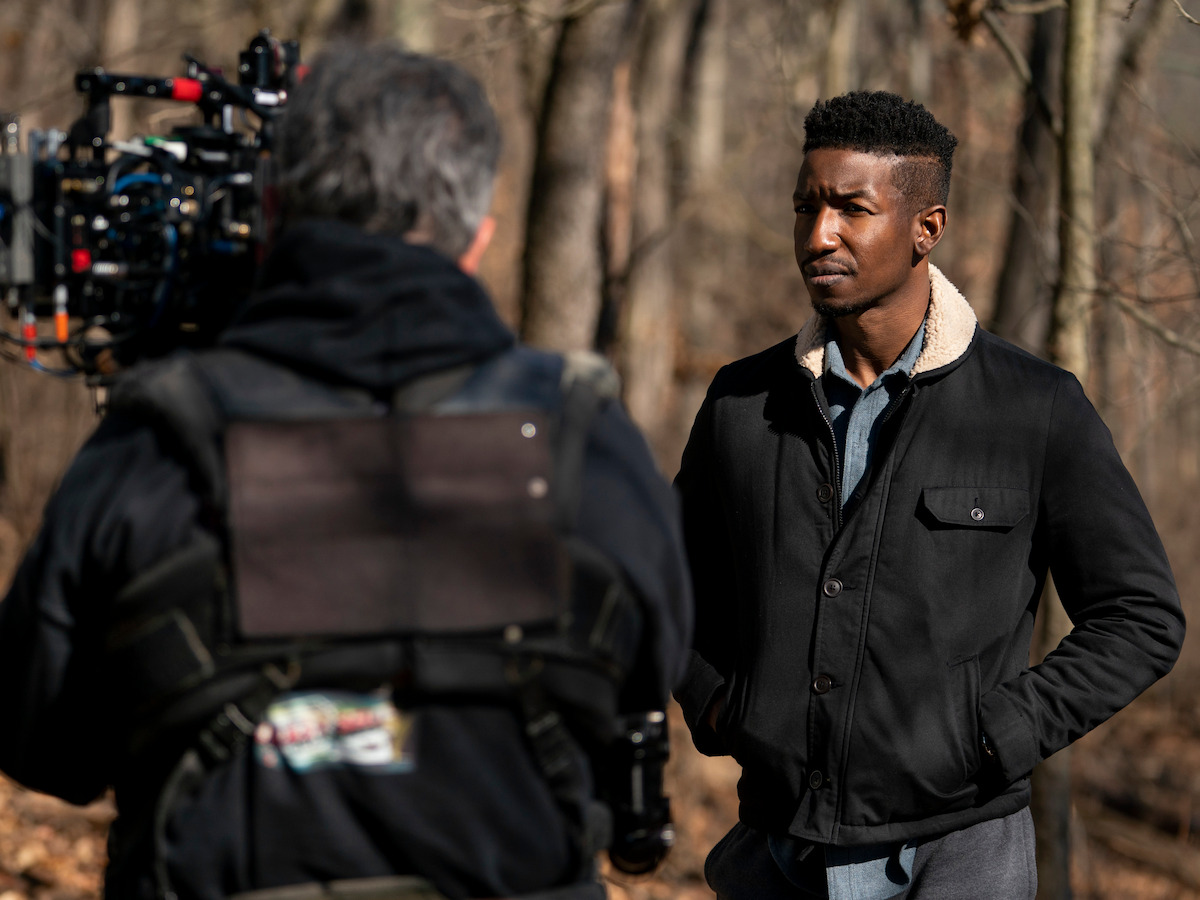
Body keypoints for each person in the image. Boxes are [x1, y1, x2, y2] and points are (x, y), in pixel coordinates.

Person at [0, 43, 691, 900]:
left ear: (276, 207)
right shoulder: (588, 444)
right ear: (478, 235)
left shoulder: (157, 445)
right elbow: (647, 680)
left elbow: (45, 746)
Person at [673, 90, 1185, 900]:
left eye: (852, 209)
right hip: (774, 854)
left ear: (926, 228)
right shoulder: (742, 405)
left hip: (962, 854)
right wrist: (718, 707)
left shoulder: (1034, 409)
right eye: (806, 207)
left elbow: (1142, 617)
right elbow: (663, 581)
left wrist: (1001, 732)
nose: (818, 235)